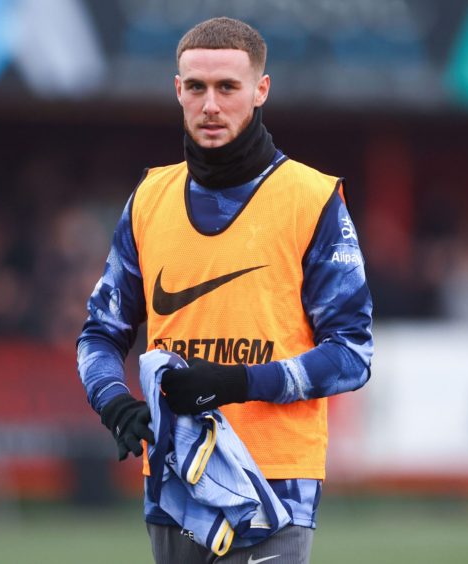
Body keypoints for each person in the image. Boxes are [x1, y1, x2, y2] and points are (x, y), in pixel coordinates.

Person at [77, 16, 373, 563]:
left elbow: (353, 355)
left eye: (227, 87)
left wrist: (238, 382)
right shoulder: (148, 198)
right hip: (174, 478)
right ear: (178, 91)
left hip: (276, 483)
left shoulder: (312, 199)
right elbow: (99, 333)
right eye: (196, 87)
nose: (210, 104)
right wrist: (114, 403)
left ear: (260, 91)